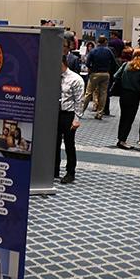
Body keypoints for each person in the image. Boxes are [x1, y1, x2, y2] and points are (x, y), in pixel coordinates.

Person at [56, 55, 84, 184]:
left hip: (68, 114)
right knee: (53, 144)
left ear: (62, 63)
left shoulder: (75, 79)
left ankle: (70, 172)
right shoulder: (52, 77)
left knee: (69, 144)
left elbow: (79, 101)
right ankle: (53, 169)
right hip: (54, 114)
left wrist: (77, 119)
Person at [116, 49, 140, 149]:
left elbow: (116, 75)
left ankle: (120, 138)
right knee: (129, 119)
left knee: (123, 117)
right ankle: (123, 140)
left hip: (124, 94)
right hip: (134, 96)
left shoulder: (126, 65)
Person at [83, 36, 116, 119]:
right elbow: (114, 63)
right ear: (105, 41)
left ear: (98, 41)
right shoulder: (109, 51)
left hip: (95, 74)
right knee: (103, 94)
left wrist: (91, 69)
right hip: (105, 74)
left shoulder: (93, 51)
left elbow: (87, 63)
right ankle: (99, 113)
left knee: (88, 93)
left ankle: (81, 111)